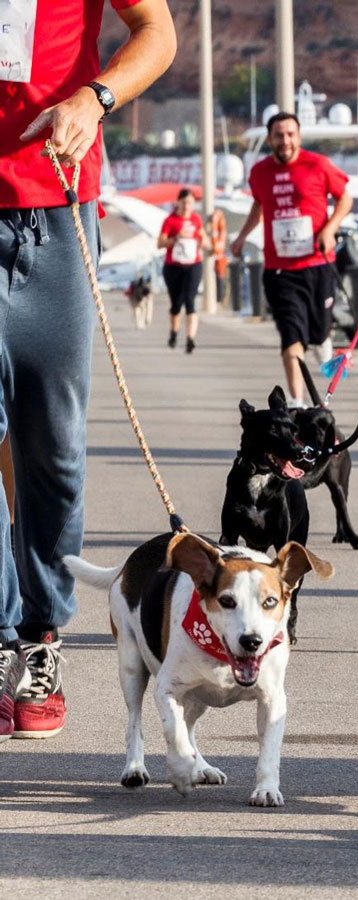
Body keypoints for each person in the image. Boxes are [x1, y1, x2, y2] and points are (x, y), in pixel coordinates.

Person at [0, 0, 176, 742]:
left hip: (55, 205)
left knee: (55, 448)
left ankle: (40, 637)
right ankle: (4, 636)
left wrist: (95, 97)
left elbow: (157, 33)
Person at [230, 112, 353, 408]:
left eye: (290, 134)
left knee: (319, 331)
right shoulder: (259, 172)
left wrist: (330, 228)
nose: (285, 141)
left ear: (298, 137)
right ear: (270, 138)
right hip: (280, 269)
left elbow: (345, 199)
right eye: (278, 135)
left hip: (317, 264)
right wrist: (242, 236)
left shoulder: (318, 165)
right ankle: (297, 402)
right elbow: (259, 205)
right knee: (290, 335)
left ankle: (324, 338)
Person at [158, 188, 210, 353]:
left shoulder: (196, 219)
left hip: (193, 265)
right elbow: (160, 243)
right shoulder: (170, 220)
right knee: (176, 303)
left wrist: (207, 243)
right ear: (178, 202)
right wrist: (176, 238)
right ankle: (174, 333)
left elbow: (203, 237)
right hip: (173, 266)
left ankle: (190, 339)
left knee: (190, 300)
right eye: (184, 202)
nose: (187, 206)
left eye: (190, 203)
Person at [209, 206, 229, 306]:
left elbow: (218, 233)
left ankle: (220, 298)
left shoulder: (219, 224)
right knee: (219, 277)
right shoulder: (216, 226)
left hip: (219, 254)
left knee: (221, 276)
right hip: (217, 252)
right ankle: (219, 298)